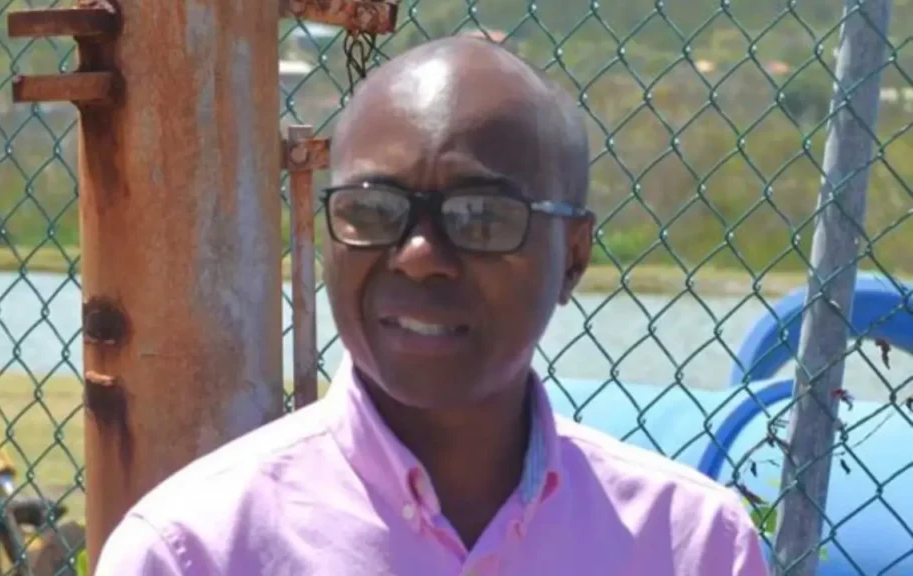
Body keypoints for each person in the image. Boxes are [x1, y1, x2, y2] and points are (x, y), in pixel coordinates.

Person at [94, 37, 771, 575]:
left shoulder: (689, 546)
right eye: (372, 210)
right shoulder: (192, 553)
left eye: (480, 215)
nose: (419, 253)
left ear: (572, 255)